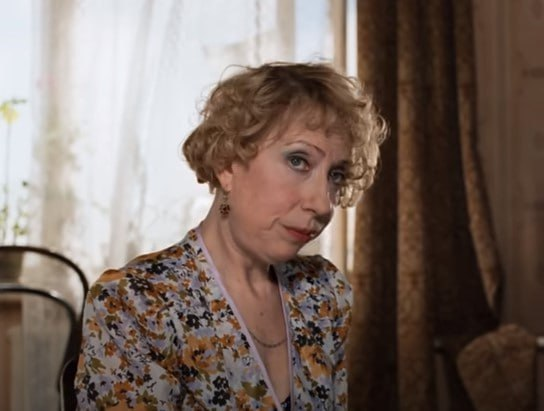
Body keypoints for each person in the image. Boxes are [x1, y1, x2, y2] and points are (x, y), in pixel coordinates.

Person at [74, 62, 387, 410]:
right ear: (227, 163)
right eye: (298, 161)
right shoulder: (136, 304)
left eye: (335, 175)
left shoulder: (324, 292)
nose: (322, 203)